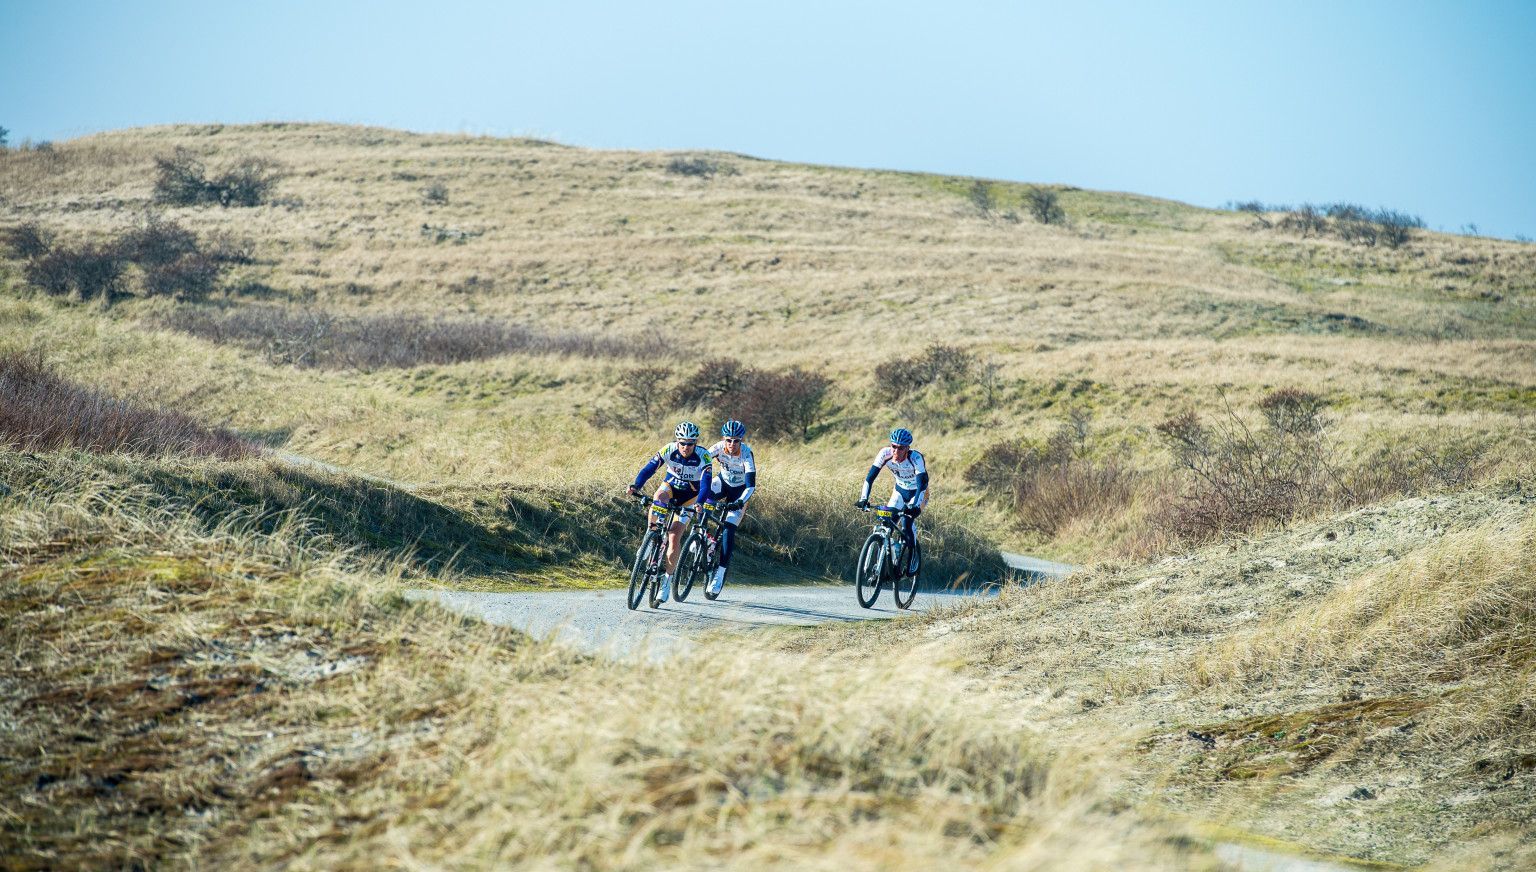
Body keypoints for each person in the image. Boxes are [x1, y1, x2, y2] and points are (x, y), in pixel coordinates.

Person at [627, 421, 713, 603]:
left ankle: (667, 580)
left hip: (691, 497)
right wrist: (636, 485)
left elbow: (706, 482)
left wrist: (700, 503)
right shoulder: (668, 449)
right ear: (677, 441)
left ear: (695, 443)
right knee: (659, 498)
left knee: (674, 536)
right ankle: (650, 536)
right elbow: (649, 468)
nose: (686, 447)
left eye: (690, 443)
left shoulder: (704, 456)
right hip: (670, 488)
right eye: (683, 443)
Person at [854, 427, 926, 575]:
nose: (896, 451)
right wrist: (863, 499)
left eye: (900, 448)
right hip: (899, 491)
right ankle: (887, 560)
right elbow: (870, 478)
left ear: (907, 448)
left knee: (907, 523)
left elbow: (922, 485)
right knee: (888, 522)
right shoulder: (884, 453)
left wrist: (914, 506)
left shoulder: (916, 458)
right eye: (894, 446)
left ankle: (912, 559)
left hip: (918, 493)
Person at [704, 419, 756, 596]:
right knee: (703, 498)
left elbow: (751, 486)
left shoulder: (747, 454)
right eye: (729, 440)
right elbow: (700, 460)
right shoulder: (717, 447)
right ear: (723, 439)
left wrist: (740, 501)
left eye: (736, 441)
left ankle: (719, 574)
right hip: (723, 482)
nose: (732, 444)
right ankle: (703, 536)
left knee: (728, 529)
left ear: (741, 441)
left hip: (739, 492)